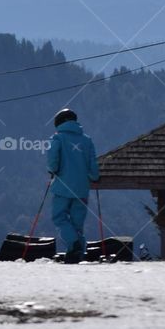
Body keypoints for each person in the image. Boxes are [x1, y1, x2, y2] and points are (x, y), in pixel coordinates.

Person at [47, 107, 100, 264]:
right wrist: (95, 177)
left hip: (62, 187)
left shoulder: (57, 138)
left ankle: (73, 244)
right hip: (82, 189)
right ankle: (78, 253)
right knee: (78, 222)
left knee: (59, 217)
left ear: (59, 123)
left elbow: (52, 160)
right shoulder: (87, 140)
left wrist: (52, 170)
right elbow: (93, 164)